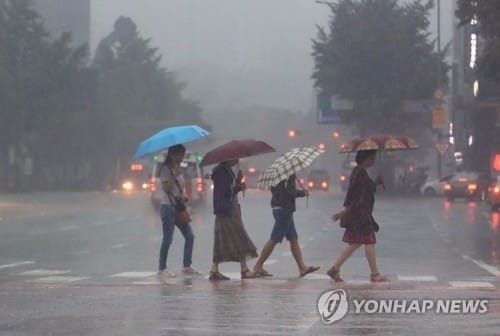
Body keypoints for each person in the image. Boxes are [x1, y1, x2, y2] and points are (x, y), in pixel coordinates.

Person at [327, 150, 389, 283]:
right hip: (360, 214)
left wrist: (376, 182)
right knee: (369, 241)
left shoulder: (360, 172)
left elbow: (366, 188)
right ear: (364, 159)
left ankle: (335, 268)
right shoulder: (359, 173)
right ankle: (375, 274)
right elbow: (354, 193)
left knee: (355, 243)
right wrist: (344, 211)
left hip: (360, 213)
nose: (373, 161)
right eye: (371, 158)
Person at [253, 174, 320, 277]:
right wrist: (303, 193)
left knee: (293, 239)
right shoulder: (289, 174)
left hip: (278, 208)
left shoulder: (276, 175)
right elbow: (290, 192)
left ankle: (302, 267)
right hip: (285, 211)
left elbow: (275, 190)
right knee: (274, 239)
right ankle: (258, 265)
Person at [209, 159, 258, 280]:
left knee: (226, 237)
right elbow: (224, 192)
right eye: (235, 158)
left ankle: (217, 269)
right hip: (226, 209)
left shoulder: (226, 171)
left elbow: (228, 189)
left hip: (228, 208)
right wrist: (238, 187)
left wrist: (238, 182)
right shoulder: (221, 172)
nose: (236, 160)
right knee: (238, 235)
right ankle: (243, 269)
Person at [158, 144, 201, 279]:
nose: (182, 157)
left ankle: (186, 265)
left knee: (190, 236)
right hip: (167, 207)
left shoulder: (177, 168)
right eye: (180, 155)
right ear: (173, 155)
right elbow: (166, 188)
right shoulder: (165, 169)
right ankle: (162, 267)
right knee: (167, 239)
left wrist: (183, 195)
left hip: (178, 207)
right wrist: (174, 175)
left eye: (183, 154)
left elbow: (179, 187)